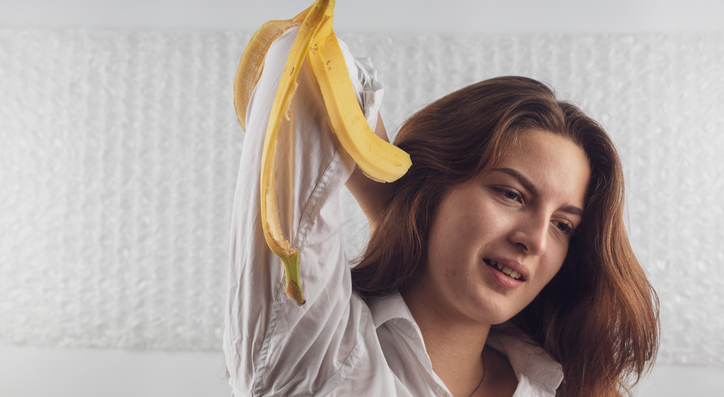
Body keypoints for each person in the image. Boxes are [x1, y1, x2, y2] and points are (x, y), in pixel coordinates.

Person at [223, 27, 659, 397]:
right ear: (434, 188)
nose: (537, 239)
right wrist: (394, 205)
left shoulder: (552, 383)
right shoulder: (323, 358)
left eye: (564, 224)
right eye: (511, 194)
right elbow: (301, 60)